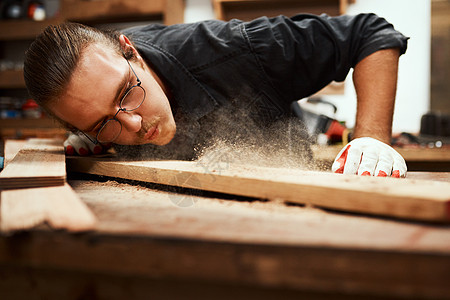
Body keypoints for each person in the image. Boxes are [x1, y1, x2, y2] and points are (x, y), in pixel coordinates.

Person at [24, 12, 408, 177]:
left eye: (127, 93)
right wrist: (94, 137)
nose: (135, 124)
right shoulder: (93, 96)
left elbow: (368, 33)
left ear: (132, 51)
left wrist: (371, 135)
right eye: (105, 122)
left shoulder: (236, 49)